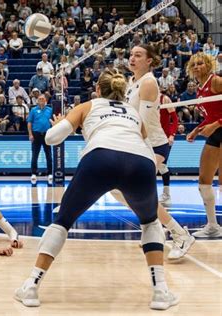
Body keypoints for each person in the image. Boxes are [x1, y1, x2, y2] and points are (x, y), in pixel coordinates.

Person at [15, 70, 179, 310]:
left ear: (99, 90)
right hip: (140, 162)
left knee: (62, 222)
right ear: (123, 93)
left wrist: (61, 123)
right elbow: (144, 141)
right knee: (150, 223)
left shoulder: (88, 105)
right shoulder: (133, 112)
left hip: (101, 157)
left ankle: (31, 286)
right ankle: (161, 292)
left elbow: (51, 138)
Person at [117, 44, 194, 259]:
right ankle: (157, 229)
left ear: (149, 60)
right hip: (137, 144)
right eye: (131, 54)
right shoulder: (131, 82)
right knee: (120, 190)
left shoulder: (149, 82)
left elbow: (141, 123)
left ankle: (179, 234)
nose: (132, 58)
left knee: (136, 192)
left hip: (152, 145)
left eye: (138, 55)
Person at [186, 53, 222, 237]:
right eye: (194, 64)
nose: (197, 67)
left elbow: (215, 119)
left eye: (200, 63)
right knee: (204, 181)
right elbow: (210, 116)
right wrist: (197, 130)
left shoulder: (216, 81)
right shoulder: (200, 89)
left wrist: (215, 125)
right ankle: (213, 226)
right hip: (215, 133)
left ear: (208, 65)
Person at [27, 94, 53, 185]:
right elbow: (29, 122)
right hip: (36, 134)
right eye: (39, 99)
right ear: (37, 101)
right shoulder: (33, 110)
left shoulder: (50, 110)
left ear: (45, 100)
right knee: (35, 155)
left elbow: (53, 122)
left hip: (47, 134)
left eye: (43, 99)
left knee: (48, 155)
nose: (41, 100)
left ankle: (49, 173)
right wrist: (30, 134)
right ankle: (34, 173)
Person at [159, 94, 178, 206]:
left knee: (161, 165)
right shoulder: (145, 101)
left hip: (164, 138)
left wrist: (172, 135)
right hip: (151, 137)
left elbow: (175, 118)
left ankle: (166, 194)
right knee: (158, 166)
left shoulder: (164, 99)